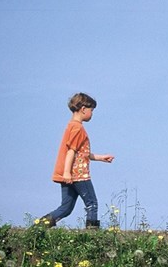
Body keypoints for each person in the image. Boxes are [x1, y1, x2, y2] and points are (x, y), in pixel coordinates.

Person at [38, 93, 114, 229]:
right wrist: (67, 173)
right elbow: (71, 151)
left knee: (66, 208)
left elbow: (81, 153)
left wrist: (100, 157)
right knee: (92, 203)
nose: (92, 114)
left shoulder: (71, 126)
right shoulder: (78, 128)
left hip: (69, 175)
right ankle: (92, 236)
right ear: (83, 109)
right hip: (78, 174)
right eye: (91, 110)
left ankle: (37, 228)